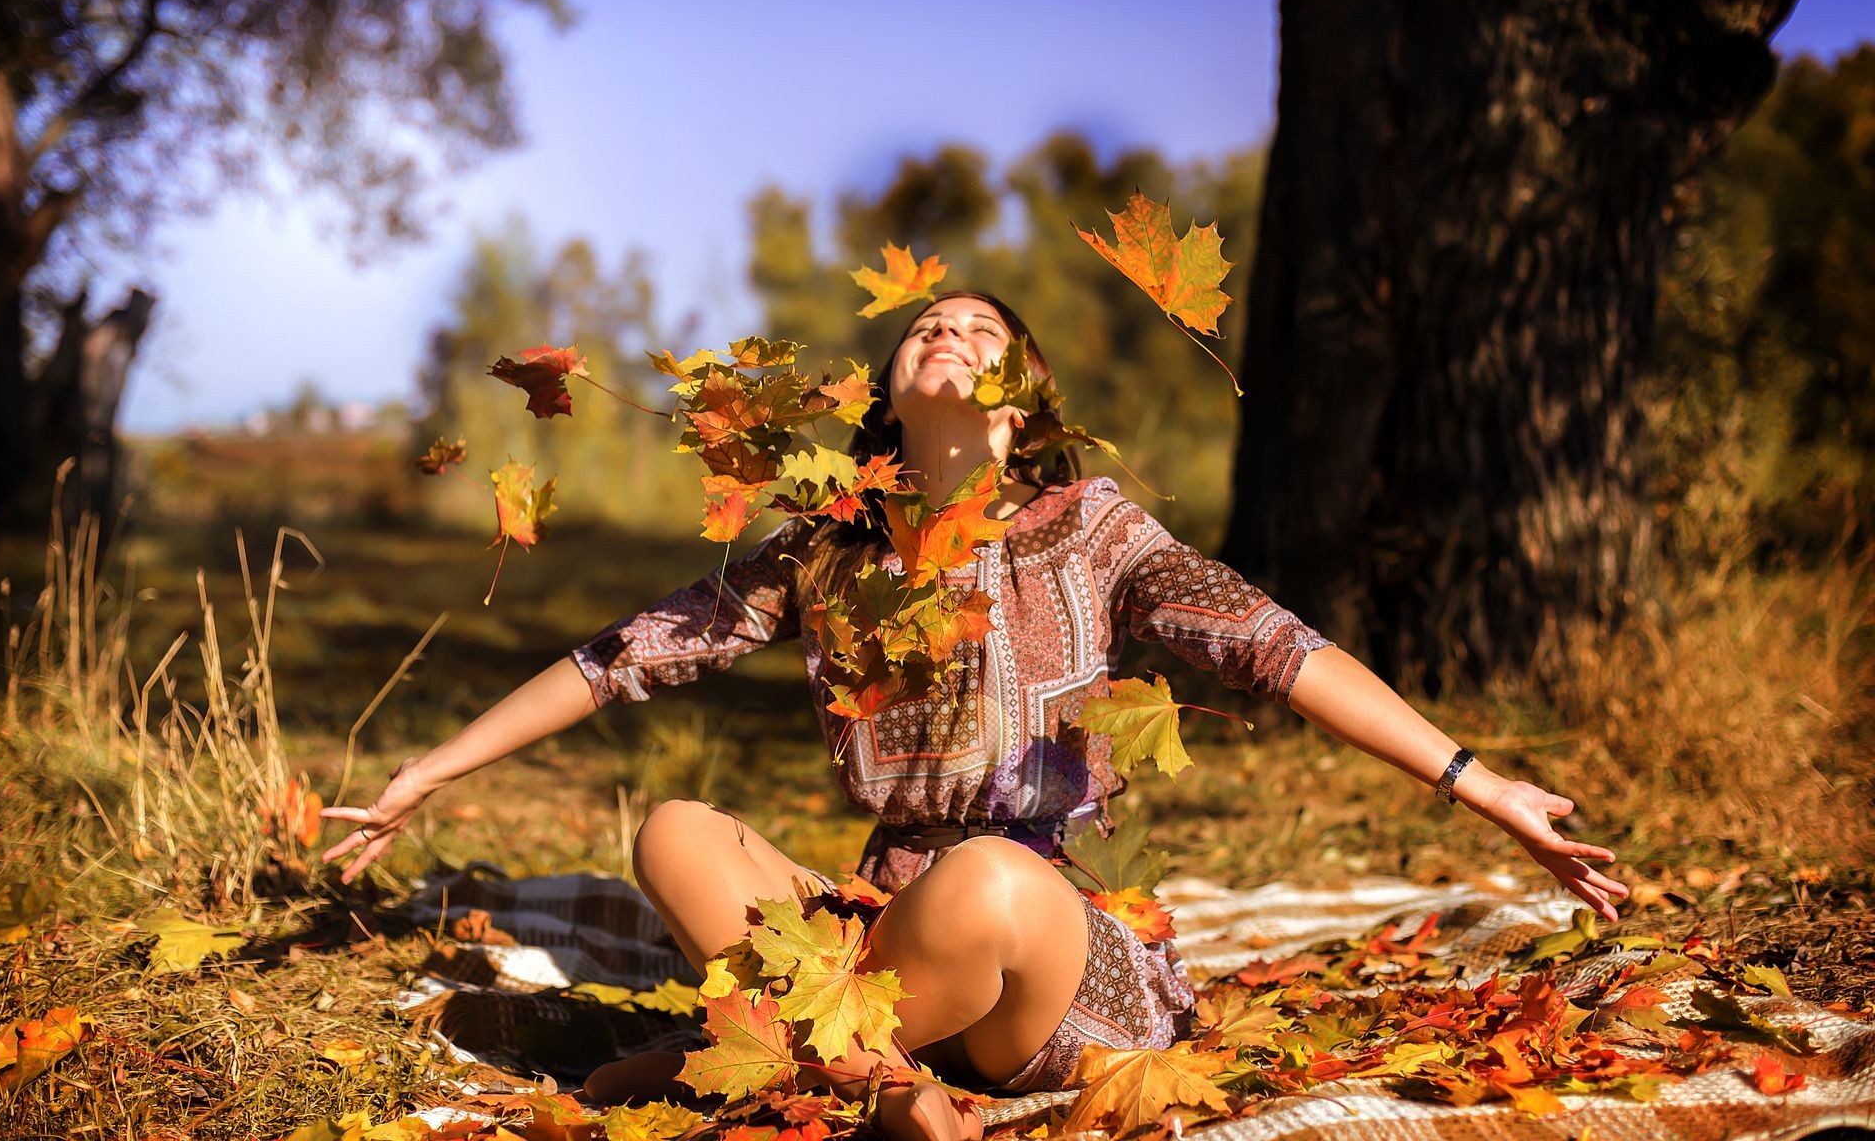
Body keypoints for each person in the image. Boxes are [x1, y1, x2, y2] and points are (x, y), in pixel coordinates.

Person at [323, 292, 1630, 1141]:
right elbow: (625, 657)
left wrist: (1478, 780)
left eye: (981, 329)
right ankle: (881, 1087)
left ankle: (707, 1062)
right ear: (891, 389)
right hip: (879, 945)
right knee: (675, 831)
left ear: (1024, 401)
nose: (945, 329)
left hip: (1053, 961)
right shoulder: (829, 550)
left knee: (996, 882)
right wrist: (428, 772)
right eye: (924, 324)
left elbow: (1278, 649)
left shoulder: (1095, 532)